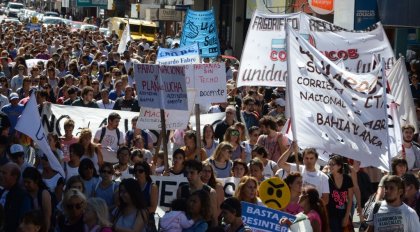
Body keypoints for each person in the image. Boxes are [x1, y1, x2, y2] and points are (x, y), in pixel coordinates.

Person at [176, 159, 218, 226]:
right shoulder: (181, 190)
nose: (188, 176)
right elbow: (177, 214)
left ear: (200, 173)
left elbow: (214, 218)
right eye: (187, 173)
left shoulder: (210, 192)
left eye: (192, 173)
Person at [0, 162, 32, 232]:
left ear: (14, 176)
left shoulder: (22, 196)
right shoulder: (1, 192)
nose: (0, 175)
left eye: (4, 173)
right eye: (1, 172)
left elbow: (25, 222)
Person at [326, 155, 354, 232]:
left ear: (339, 166)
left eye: (332, 164)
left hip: (344, 212)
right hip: (331, 214)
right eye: (329, 164)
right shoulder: (326, 179)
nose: (330, 166)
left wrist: (346, 216)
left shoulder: (347, 179)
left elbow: (350, 198)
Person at [22, 167, 54, 232]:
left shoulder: (44, 194)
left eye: (28, 182)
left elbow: (47, 217)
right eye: (24, 182)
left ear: (36, 181)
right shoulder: (25, 194)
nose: (26, 184)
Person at [134, 161, 159, 231]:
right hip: (132, 218)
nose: (137, 173)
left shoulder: (152, 187)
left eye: (140, 171)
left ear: (146, 173)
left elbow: (153, 208)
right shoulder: (132, 186)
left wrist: (138, 212)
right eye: (135, 171)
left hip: (147, 220)